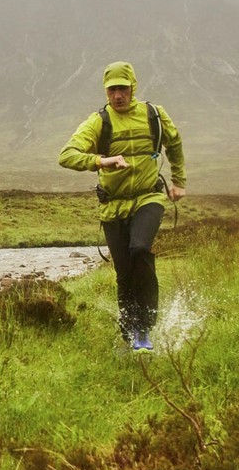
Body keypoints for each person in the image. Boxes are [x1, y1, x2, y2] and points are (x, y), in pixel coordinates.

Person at [58, 61, 186, 351]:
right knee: (124, 272)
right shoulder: (99, 121)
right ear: (106, 90)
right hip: (112, 207)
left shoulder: (154, 114)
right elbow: (66, 155)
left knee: (140, 249)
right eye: (112, 89)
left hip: (148, 197)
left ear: (133, 88)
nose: (118, 95)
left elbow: (175, 143)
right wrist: (101, 160)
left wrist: (178, 181)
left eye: (123, 89)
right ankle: (129, 330)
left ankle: (146, 325)